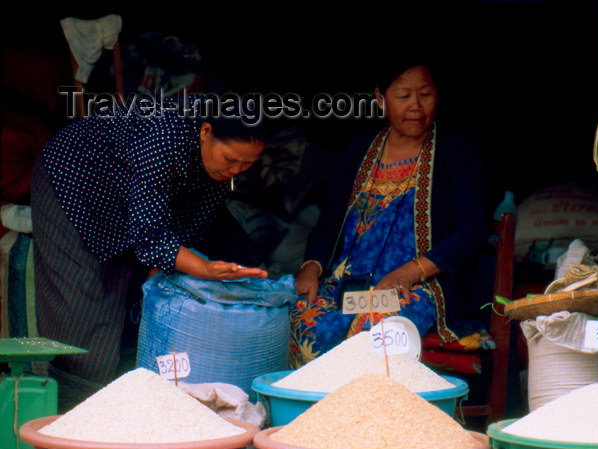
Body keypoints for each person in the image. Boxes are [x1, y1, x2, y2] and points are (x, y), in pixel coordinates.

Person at [30, 92, 268, 408]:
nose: (236, 170)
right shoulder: (164, 132)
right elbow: (150, 235)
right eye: (230, 160)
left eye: (247, 164)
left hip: (128, 195)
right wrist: (202, 267)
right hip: (74, 183)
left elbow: (192, 219)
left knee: (141, 297)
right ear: (205, 132)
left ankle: (126, 406)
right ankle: (75, 413)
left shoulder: (219, 160)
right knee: (83, 303)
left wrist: (168, 267)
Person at [291, 62, 492, 367]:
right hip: (347, 286)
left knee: (377, 330)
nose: (416, 106)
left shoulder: (459, 152)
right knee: (301, 318)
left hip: (418, 287)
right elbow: (329, 221)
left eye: (425, 94)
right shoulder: (358, 150)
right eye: (403, 96)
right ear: (380, 99)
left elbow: (471, 231)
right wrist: (310, 268)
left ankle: (370, 412)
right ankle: (315, 411)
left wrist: (410, 272)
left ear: (437, 96)